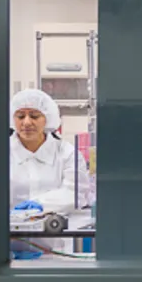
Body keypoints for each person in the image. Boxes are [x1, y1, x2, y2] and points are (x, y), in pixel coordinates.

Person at [9, 89, 90, 258]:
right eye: (20, 116)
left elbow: (76, 193)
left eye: (34, 116)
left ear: (48, 118)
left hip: (55, 251)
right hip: (7, 252)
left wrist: (39, 204)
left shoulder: (66, 153)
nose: (27, 122)